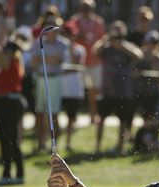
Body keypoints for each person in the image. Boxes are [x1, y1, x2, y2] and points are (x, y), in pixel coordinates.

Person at [93, 20, 143, 154]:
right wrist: (107, 39)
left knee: (124, 120)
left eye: (119, 31)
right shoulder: (106, 47)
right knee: (101, 118)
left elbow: (138, 55)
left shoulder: (127, 46)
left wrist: (122, 47)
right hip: (107, 90)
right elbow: (95, 51)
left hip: (123, 90)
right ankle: (97, 147)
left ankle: (121, 147)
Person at [30, 15, 69, 152]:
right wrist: (47, 58)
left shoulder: (63, 43)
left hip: (55, 79)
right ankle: (40, 143)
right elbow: (33, 61)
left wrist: (43, 58)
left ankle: (54, 145)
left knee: (54, 114)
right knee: (40, 113)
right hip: (41, 79)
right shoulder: (38, 42)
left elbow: (59, 60)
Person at [0, 41, 26, 185]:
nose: (5, 53)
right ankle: (7, 174)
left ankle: (18, 174)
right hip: (1, 103)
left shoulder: (14, 63)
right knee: (4, 140)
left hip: (11, 103)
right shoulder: (1, 65)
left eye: (8, 51)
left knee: (12, 140)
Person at [70, 0, 105, 124]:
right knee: (78, 91)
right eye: (84, 8)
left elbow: (102, 39)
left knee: (93, 91)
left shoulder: (98, 22)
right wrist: (81, 36)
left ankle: (93, 115)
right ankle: (75, 117)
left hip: (94, 62)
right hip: (80, 63)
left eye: (88, 8)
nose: (86, 11)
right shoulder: (75, 21)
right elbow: (70, 34)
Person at [60, 21, 86, 151]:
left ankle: (68, 143)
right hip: (61, 89)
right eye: (68, 34)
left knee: (71, 118)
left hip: (74, 89)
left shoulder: (80, 49)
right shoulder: (59, 48)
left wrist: (70, 49)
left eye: (72, 34)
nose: (70, 37)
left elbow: (77, 66)